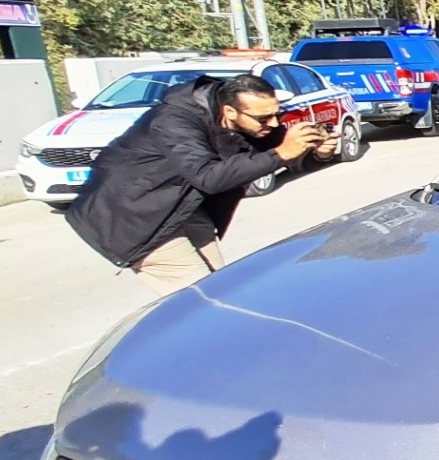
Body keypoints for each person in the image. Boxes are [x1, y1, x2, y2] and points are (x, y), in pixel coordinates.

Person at [67, 73, 335, 295]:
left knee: (223, 287)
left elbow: (280, 151)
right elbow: (208, 176)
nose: (274, 123)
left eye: (276, 114)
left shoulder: (246, 120)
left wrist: (316, 153)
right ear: (230, 111)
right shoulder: (174, 121)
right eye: (264, 119)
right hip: (135, 218)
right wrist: (281, 153)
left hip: (187, 207)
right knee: (201, 302)